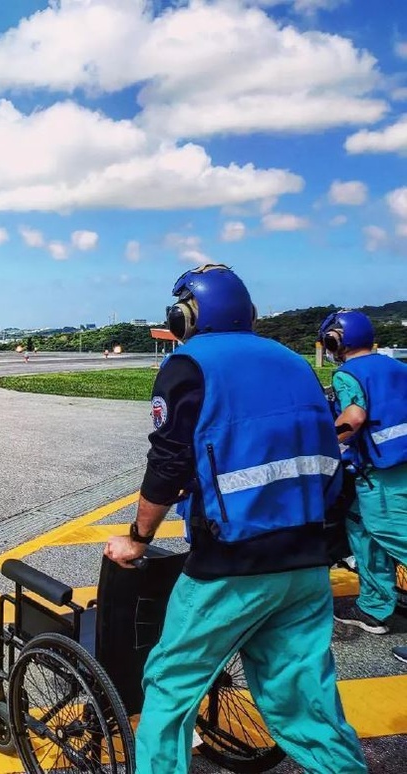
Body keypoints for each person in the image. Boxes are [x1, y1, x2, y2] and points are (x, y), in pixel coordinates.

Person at [104, 264, 365, 774]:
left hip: (232, 562)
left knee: (170, 684)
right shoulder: (295, 364)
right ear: (250, 313)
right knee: (303, 694)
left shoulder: (191, 363)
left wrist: (137, 538)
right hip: (308, 560)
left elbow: (169, 464)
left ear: (184, 316)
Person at [318, 310, 407, 664]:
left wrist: (321, 441)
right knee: (362, 530)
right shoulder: (396, 367)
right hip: (396, 465)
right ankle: (373, 608)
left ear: (337, 340)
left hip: (384, 471)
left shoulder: (348, 374)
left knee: (393, 533)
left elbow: (353, 418)